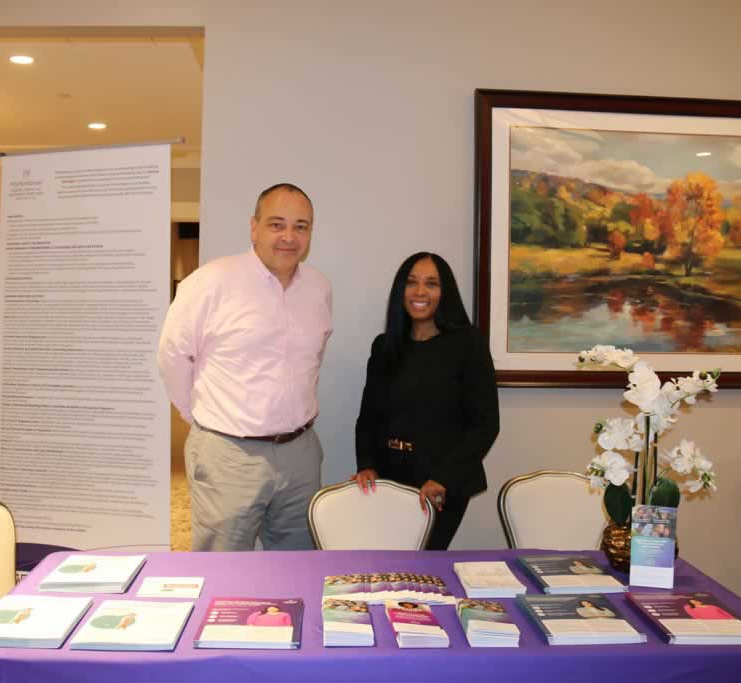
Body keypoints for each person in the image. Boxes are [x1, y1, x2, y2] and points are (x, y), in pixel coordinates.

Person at [158, 183, 333, 552]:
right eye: (276, 224)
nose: (289, 237)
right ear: (254, 227)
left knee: (297, 566)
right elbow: (173, 357)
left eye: (300, 226)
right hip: (229, 456)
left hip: (300, 455)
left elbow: (310, 361)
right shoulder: (210, 282)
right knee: (222, 566)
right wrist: (202, 420)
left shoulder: (318, 288)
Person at [353, 252, 499, 549]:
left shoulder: (468, 343)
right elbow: (368, 417)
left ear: (445, 293)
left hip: (441, 480)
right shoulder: (384, 346)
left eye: (431, 284)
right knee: (387, 562)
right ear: (400, 290)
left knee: (423, 565)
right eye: (411, 282)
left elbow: (485, 424)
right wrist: (367, 464)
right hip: (388, 477)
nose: (420, 291)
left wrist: (443, 478)